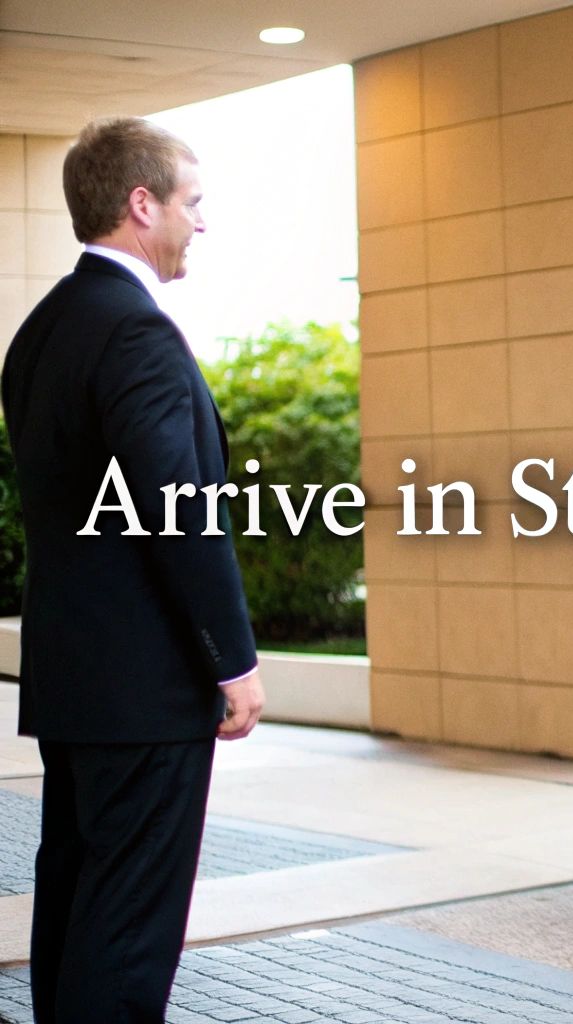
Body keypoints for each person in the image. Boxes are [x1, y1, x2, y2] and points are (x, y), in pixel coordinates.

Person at [2, 116, 265, 1022]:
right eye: (193, 204)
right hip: (145, 690)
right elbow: (176, 513)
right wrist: (232, 659)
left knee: (75, 907)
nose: (201, 223)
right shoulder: (136, 334)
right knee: (128, 930)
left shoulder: (40, 332)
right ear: (139, 204)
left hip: (74, 684)